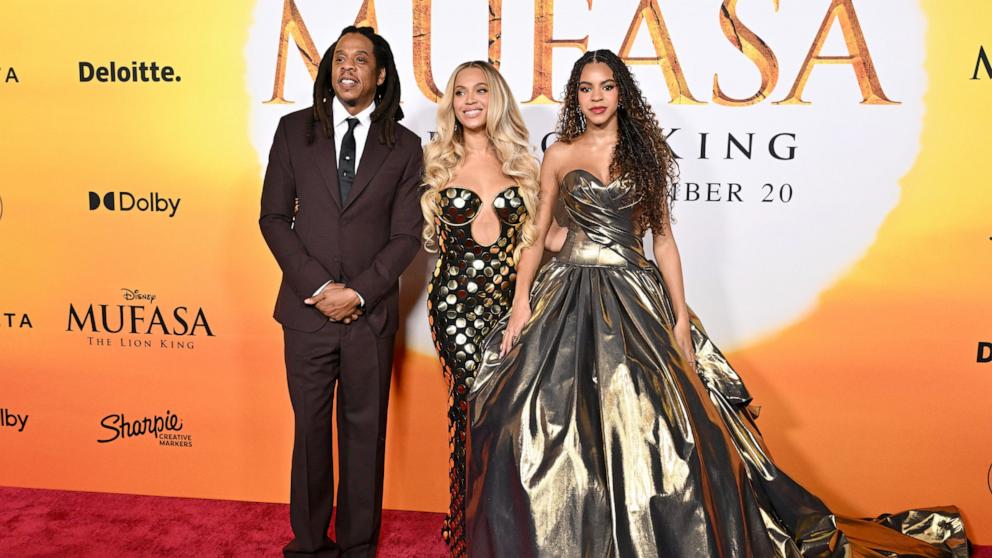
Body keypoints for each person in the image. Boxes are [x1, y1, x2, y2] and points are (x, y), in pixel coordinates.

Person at [466, 49, 967, 557]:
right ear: (575, 97)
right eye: (586, 88)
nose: (597, 97)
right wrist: (520, 302)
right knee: (527, 421)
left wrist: (681, 318)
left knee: (664, 429)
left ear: (622, 93)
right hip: (565, 294)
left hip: (634, 297)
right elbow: (535, 235)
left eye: (607, 86)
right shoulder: (559, 155)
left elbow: (662, 241)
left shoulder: (646, 152)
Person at [259, 26, 423, 558]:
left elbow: (406, 237)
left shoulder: (405, 147)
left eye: (361, 60)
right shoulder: (292, 132)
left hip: (368, 318)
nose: (348, 68)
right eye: (340, 60)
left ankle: (357, 547)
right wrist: (322, 287)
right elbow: (274, 218)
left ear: (380, 75)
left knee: (362, 437)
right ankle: (308, 546)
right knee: (310, 435)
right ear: (331, 70)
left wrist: (358, 294)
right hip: (306, 314)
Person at [420, 60, 539, 557]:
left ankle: (504, 527)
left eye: (481, 91)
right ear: (452, 103)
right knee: (466, 412)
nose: (470, 100)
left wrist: (521, 303)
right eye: (461, 92)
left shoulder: (523, 164)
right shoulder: (437, 162)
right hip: (454, 307)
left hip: (510, 308)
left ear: (499, 99)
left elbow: (537, 239)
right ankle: (464, 531)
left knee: (509, 420)